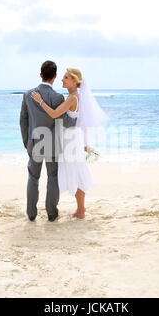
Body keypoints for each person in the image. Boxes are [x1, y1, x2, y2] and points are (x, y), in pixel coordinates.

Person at [31, 67, 108, 219]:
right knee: (78, 171)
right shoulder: (78, 97)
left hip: (70, 140)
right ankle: (81, 209)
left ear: (74, 81)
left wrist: (40, 101)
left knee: (77, 172)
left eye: (66, 77)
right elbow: (83, 122)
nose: (62, 79)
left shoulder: (72, 98)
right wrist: (85, 143)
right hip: (75, 138)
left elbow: (54, 114)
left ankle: (80, 210)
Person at [19, 60, 77, 222]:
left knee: (33, 177)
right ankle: (52, 213)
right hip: (52, 144)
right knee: (52, 176)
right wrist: (77, 115)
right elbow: (67, 122)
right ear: (55, 77)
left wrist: (26, 142)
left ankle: (31, 214)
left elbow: (23, 120)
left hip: (34, 142)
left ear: (40, 75)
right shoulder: (57, 97)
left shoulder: (28, 94)